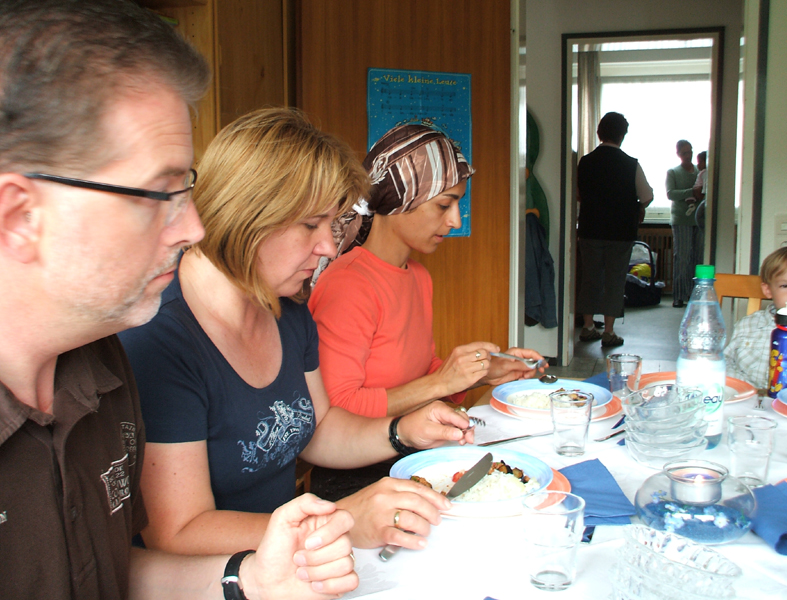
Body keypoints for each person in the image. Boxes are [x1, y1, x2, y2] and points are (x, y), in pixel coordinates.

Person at [0, 3, 357, 599]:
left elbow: (112, 574)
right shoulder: (153, 342)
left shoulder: (101, 367)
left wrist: (250, 579)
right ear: (20, 217)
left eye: (185, 191)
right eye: (158, 195)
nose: (194, 228)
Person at [118, 108, 477, 560]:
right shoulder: (161, 339)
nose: (327, 246)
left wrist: (402, 432)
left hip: (286, 561)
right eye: (311, 225)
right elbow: (178, 531)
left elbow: (318, 428)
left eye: (331, 224)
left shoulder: (287, 308)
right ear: (247, 214)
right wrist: (339, 521)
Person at [308, 123, 545, 418]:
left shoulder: (419, 277)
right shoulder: (347, 285)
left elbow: (421, 374)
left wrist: (484, 370)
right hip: (370, 448)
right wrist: (440, 382)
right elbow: (336, 408)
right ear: (399, 200)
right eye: (444, 205)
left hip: (413, 439)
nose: (456, 221)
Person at [574, 112, 654, 348]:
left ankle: (588, 326)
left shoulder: (585, 162)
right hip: (620, 232)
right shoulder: (630, 164)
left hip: (589, 229)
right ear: (622, 135)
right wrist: (637, 206)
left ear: (599, 133)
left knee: (590, 278)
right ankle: (608, 332)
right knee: (615, 280)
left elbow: (578, 193)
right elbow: (647, 195)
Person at [725, 246, 787, 390]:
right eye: (785, 286)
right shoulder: (747, 325)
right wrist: (747, 390)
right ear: (768, 290)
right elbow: (726, 362)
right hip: (749, 396)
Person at [666, 140, 702, 308]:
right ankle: (679, 295)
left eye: (690, 152)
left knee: (698, 258)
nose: (688, 155)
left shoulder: (700, 172)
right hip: (681, 219)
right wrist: (691, 192)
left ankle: (696, 295)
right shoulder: (673, 172)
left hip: (699, 219)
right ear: (679, 154)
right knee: (682, 257)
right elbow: (670, 194)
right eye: (685, 153)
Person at [693, 151, 708, 230]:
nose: (698, 165)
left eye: (700, 162)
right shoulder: (702, 173)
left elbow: (705, 188)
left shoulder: (705, 173)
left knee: (699, 217)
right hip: (697, 193)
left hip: (704, 197)